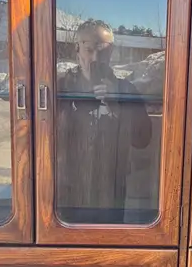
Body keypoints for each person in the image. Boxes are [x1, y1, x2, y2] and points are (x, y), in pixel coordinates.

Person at [56, 19, 153, 224]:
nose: (96, 57)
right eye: (89, 49)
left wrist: (117, 104)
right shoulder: (60, 87)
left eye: (103, 51)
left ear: (112, 51)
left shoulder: (126, 90)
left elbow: (143, 139)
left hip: (110, 194)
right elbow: (39, 135)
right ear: (77, 48)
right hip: (66, 194)